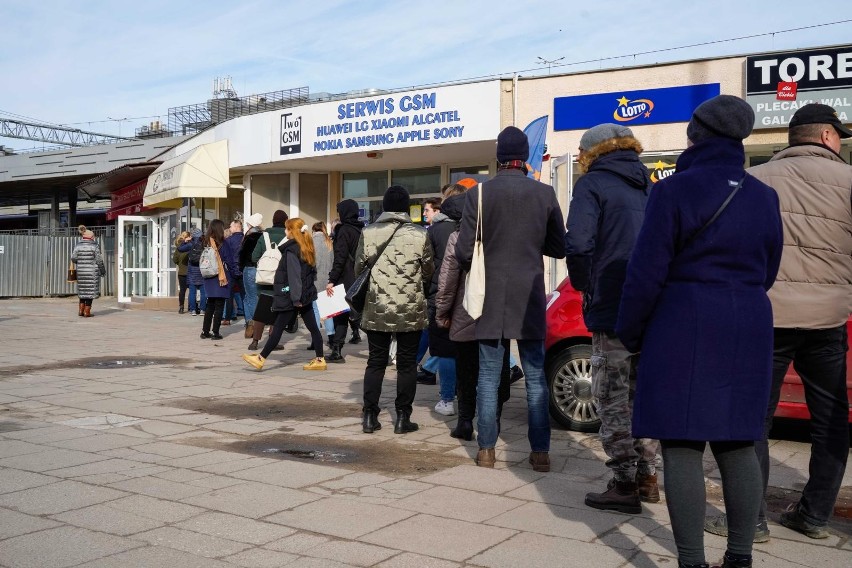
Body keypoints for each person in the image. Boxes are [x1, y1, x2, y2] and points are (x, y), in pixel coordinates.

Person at [616, 95, 783, 568]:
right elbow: (769, 269)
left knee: (681, 442)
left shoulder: (673, 191)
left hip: (684, 321)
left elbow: (646, 272)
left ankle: (691, 560)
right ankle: (740, 557)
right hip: (749, 321)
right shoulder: (763, 195)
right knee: (738, 441)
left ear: (696, 135)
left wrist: (632, 331)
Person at [705, 103, 852, 543]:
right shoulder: (850, 180)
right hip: (828, 319)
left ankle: (751, 520)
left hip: (765, 318)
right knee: (831, 419)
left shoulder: (755, 180)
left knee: (754, 418)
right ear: (827, 137)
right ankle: (813, 515)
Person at [455, 125, 566, 470]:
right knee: (535, 376)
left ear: (500, 157)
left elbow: (462, 252)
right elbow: (560, 248)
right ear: (524, 158)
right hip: (530, 292)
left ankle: (486, 450)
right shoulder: (544, 193)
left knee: (488, 376)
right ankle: (540, 453)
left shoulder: (479, 194)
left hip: (489, 295)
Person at [564, 123, 659, 513]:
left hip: (612, 303)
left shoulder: (592, 185)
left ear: (591, 152)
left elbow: (578, 243)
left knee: (612, 393)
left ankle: (623, 482)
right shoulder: (649, 184)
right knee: (643, 392)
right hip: (651, 303)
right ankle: (649, 475)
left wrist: (586, 287)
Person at [436, 185, 512, 440]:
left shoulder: (457, 237)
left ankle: (465, 422)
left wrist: (442, 312)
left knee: (466, 371)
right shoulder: (501, 234)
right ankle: (493, 422)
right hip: (497, 313)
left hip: (465, 312)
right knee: (496, 370)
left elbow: (447, 281)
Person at [357, 185, 434, 434]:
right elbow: (428, 271)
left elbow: (359, 269)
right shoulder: (420, 233)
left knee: (376, 362)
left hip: (377, 306)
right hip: (410, 307)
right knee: (407, 364)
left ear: (384, 206)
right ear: (406, 207)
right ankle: (403, 418)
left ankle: (370, 416)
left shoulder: (368, 232)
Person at [242, 218, 327, 371]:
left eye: (287, 229)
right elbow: (309, 274)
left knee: (279, 327)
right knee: (313, 328)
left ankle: (261, 358)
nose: (285, 231)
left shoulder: (291, 251)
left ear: (292, 231)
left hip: (292, 297)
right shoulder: (306, 247)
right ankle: (320, 359)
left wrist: (294, 298)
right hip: (304, 295)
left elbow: (294, 278)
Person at [325, 199, 362, 363]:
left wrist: (332, 279)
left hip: (344, 278)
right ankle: (337, 349)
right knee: (356, 314)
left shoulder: (344, 231)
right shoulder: (360, 230)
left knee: (341, 315)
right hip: (357, 278)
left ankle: (337, 350)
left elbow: (339, 258)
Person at [248, 209, 288, 350]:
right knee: (277, 309)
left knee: (261, 310)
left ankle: (255, 341)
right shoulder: (288, 237)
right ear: (285, 222)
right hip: (281, 281)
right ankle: (273, 340)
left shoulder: (264, 236)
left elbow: (254, 257)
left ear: (273, 221)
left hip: (264, 279)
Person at [200, 219, 239, 340]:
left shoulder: (205, 241)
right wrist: (235, 273)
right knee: (219, 305)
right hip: (220, 277)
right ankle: (216, 332)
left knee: (210, 304)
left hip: (208, 276)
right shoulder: (223, 243)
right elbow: (229, 260)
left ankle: (205, 331)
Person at [311, 221, 336, 349]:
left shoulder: (312, 242)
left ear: (313, 231)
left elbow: (311, 262)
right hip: (327, 280)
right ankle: (331, 337)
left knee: (315, 310)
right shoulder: (329, 242)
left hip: (315, 280)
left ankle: (315, 339)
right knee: (328, 311)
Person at [239, 213, 264, 339]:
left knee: (250, 297)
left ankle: (252, 325)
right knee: (255, 297)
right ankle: (252, 323)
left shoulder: (249, 237)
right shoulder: (264, 236)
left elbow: (242, 255)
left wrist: (240, 267)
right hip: (261, 269)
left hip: (249, 268)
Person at [71, 229, 105, 317]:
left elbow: (73, 258)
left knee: (82, 291)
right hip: (92, 273)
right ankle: (87, 312)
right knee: (90, 291)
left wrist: (81, 262)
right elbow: (99, 260)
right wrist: (102, 271)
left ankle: (81, 311)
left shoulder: (77, 246)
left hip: (81, 272)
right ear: (91, 237)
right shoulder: (95, 246)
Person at [222, 219, 245, 325]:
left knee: (229, 295)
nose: (230, 228)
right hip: (243, 270)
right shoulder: (246, 239)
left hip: (231, 271)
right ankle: (249, 319)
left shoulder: (228, 240)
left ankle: (227, 318)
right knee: (245, 296)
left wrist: (230, 268)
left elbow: (225, 256)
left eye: (231, 226)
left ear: (236, 227)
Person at [186, 228, 207, 316]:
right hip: (202, 270)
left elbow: (180, 248)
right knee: (203, 292)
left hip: (192, 271)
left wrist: (185, 241)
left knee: (192, 292)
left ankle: (193, 310)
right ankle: (202, 309)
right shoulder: (204, 244)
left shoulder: (190, 244)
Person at [172, 231, 192, 314]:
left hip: (181, 272)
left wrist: (180, 264)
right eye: (190, 236)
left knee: (182, 291)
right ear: (187, 237)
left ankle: (181, 307)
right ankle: (192, 307)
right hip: (190, 272)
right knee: (192, 290)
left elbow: (175, 259)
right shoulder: (190, 247)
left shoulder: (178, 248)